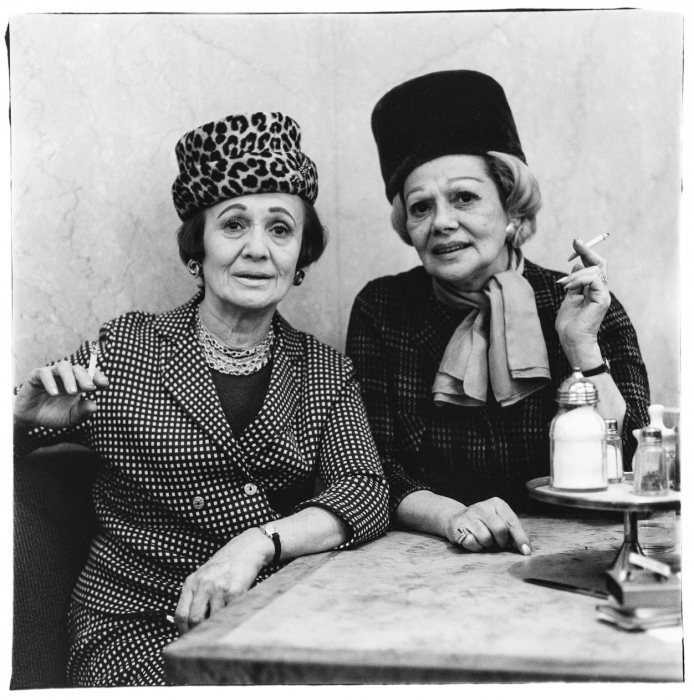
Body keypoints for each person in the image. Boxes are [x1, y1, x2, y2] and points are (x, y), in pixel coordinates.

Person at [14, 112, 389, 686]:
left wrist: (257, 545)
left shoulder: (323, 370)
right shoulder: (126, 347)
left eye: (281, 229)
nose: (258, 250)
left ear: (301, 256)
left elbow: (364, 492)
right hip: (133, 627)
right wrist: (17, 420)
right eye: (234, 224)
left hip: (272, 619)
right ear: (199, 247)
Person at [346, 70, 649, 557]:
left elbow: (635, 465)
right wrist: (453, 516)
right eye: (421, 207)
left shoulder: (582, 303)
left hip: (572, 554)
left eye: (464, 197)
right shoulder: (384, 309)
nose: (442, 222)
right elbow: (373, 465)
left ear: (511, 209)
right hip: (430, 555)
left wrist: (580, 347)